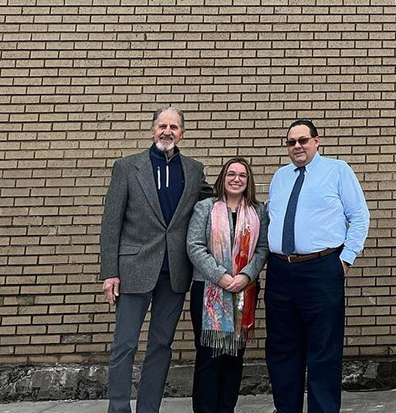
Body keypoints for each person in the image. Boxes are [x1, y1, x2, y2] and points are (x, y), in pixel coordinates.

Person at [100, 107, 211, 413]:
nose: (167, 131)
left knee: (161, 347)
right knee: (125, 345)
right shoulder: (127, 167)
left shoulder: (193, 169)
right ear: (153, 130)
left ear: (181, 133)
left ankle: (149, 409)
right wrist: (110, 272)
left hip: (174, 273)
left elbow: (211, 204)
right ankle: (119, 408)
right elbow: (111, 222)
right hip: (133, 268)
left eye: (174, 127)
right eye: (162, 125)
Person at [265, 119, 370, 413]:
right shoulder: (280, 176)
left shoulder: (337, 171)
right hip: (280, 271)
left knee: (323, 351)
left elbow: (359, 217)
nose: (297, 146)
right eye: (291, 142)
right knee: (282, 349)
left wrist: (346, 260)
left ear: (316, 141)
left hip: (321, 270)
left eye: (302, 140)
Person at [186, 158, 269, 413]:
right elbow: (194, 246)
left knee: (234, 357)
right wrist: (220, 276)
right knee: (209, 357)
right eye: (231, 174)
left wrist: (245, 276)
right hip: (209, 290)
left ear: (248, 181)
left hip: (244, 291)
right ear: (223, 178)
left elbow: (263, 248)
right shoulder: (205, 208)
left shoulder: (258, 211)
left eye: (242, 175)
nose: (237, 179)